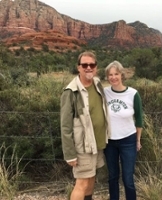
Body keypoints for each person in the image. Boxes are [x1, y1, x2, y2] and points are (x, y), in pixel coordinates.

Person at [60, 51, 110, 200]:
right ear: (78, 67)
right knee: (81, 182)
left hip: (97, 143)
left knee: (91, 177)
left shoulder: (97, 84)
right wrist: (69, 154)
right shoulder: (71, 92)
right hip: (82, 145)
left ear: (96, 67)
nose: (89, 67)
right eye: (85, 65)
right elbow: (65, 126)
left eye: (92, 65)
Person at [104, 61, 143, 200]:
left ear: (122, 75)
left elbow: (139, 119)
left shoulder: (133, 94)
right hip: (109, 142)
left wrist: (138, 140)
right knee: (113, 177)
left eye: (116, 74)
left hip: (128, 140)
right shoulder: (104, 93)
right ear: (107, 77)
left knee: (128, 178)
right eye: (110, 75)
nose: (113, 77)